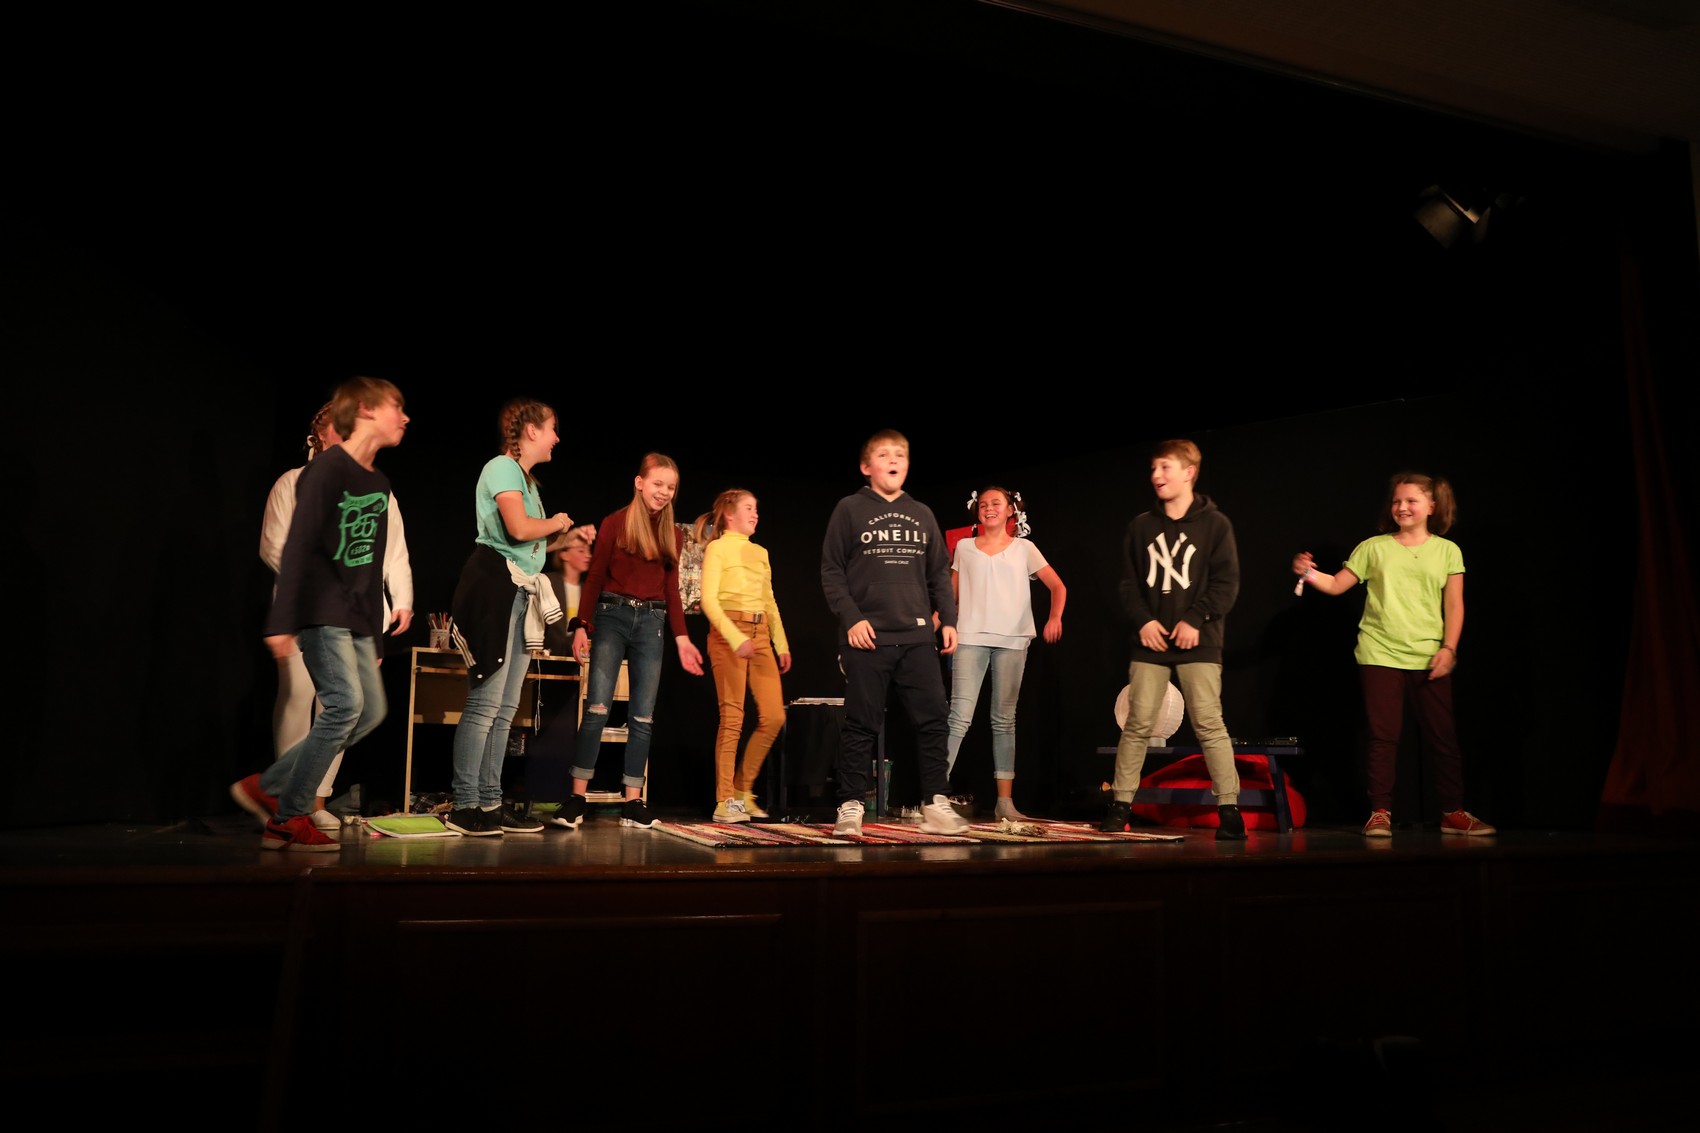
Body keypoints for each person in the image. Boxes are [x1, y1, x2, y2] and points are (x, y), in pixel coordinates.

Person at [229, 376, 410, 851]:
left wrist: (377, 630)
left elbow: (374, 562)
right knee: (339, 705)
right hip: (318, 610)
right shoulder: (317, 474)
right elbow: (292, 549)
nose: (405, 417)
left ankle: (269, 787)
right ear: (364, 412)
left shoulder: (378, 483)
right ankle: (290, 811)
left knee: (369, 711)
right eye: (396, 407)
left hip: (357, 618)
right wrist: (282, 620)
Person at [1292, 472, 1496, 837]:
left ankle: (1452, 812)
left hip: (1429, 655)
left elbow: (1455, 605)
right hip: (1379, 652)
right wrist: (1307, 573)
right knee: (1383, 737)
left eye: (1411, 501)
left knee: (1442, 737)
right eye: (1397, 501)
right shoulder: (1374, 547)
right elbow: (1336, 584)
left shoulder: (1448, 551)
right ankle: (1380, 812)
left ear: (1431, 506)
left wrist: (1449, 649)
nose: (1402, 507)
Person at [820, 429, 969, 837]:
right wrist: (852, 618)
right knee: (861, 723)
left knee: (934, 719)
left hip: (918, 636)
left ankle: (936, 802)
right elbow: (831, 571)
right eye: (884, 454)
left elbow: (939, 574)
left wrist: (949, 620)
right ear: (866, 466)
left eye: (900, 455)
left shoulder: (921, 513)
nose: (893, 460)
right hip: (867, 636)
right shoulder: (849, 509)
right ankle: (851, 805)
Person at [549, 452, 705, 830]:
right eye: (657, 484)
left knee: (643, 716)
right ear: (639, 483)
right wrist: (581, 625)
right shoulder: (615, 523)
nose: (663, 492)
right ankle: (577, 797)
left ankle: (633, 801)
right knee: (598, 708)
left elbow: (671, 590)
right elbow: (596, 576)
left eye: (670, 487)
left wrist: (682, 638)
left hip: (652, 622)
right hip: (612, 616)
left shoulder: (673, 534)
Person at [1102, 439, 1247, 841]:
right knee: (1138, 723)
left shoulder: (1215, 525)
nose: (1156, 475)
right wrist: (1145, 621)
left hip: (1199, 640)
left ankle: (1229, 809)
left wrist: (1195, 619)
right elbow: (1129, 585)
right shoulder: (1141, 526)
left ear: (1189, 472)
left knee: (1209, 723)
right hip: (1150, 641)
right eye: (1153, 468)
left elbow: (1226, 583)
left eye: (1165, 467)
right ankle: (1120, 804)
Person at [444, 397, 574, 837]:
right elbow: (518, 529)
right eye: (552, 428)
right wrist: (556, 522)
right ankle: (465, 805)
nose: (556, 437)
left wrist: (565, 537)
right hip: (493, 588)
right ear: (531, 431)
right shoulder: (501, 467)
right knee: (485, 703)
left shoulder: (527, 482)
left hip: (518, 590)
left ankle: (490, 801)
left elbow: (528, 543)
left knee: (504, 709)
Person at [945, 486, 1066, 821]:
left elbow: (1057, 585)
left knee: (1003, 720)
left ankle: (1004, 803)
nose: (989, 508)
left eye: (996, 503)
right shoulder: (964, 547)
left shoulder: (1024, 548)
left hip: (1013, 640)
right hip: (970, 637)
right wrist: (939, 620)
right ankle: (934, 795)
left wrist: (1054, 617)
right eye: (983, 504)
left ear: (1010, 510)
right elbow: (951, 594)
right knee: (959, 716)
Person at [695, 489, 791, 823]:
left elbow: (769, 600)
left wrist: (781, 644)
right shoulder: (718, 548)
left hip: (760, 633)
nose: (755, 514)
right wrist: (735, 638)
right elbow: (708, 601)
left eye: (756, 509)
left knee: (774, 717)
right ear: (730, 515)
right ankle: (725, 801)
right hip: (728, 632)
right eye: (748, 508)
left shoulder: (760, 552)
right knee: (733, 717)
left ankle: (742, 789)